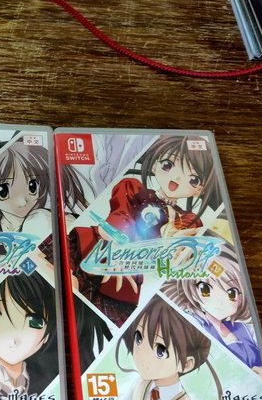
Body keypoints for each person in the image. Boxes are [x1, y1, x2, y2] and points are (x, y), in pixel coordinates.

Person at [72, 135, 222, 326]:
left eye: (193, 179)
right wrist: (120, 247)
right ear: (155, 164)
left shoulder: (189, 220)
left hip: (129, 273)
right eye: (168, 165)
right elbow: (119, 218)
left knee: (93, 314)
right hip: (98, 247)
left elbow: (174, 258)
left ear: (200, 190)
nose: (176, 178)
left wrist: (169, 244)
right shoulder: (132, 187)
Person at [161, 244, 262, 378]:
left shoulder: (245, 329)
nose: (219, 302)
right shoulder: (192, 323)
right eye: (205, 289)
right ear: (193, 292)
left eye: (231, 293)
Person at [116, 295, 221, 400]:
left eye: (160, 351)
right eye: (138, 338)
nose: (141, 355)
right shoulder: (139, 385)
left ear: (186, 364)